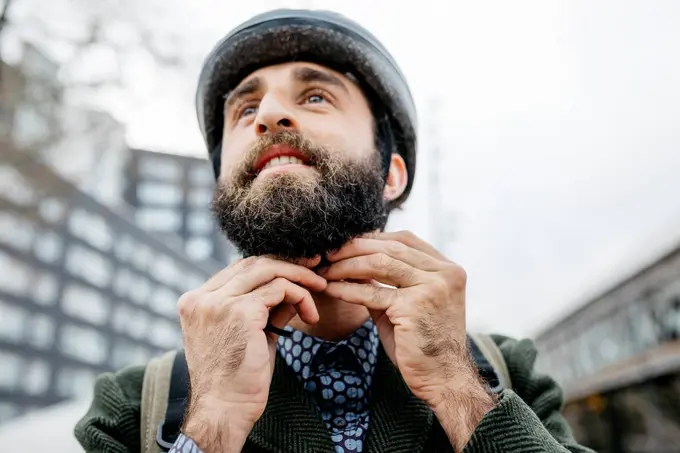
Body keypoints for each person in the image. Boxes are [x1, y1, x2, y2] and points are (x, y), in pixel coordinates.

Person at [75, 9, 594, 453]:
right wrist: (211, 422)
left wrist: (459, 392)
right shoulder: (133, 405)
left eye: (316, 97)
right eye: (246, 109)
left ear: (391, 173)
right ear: (224, 184)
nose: (271, 115)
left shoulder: (507, 375)